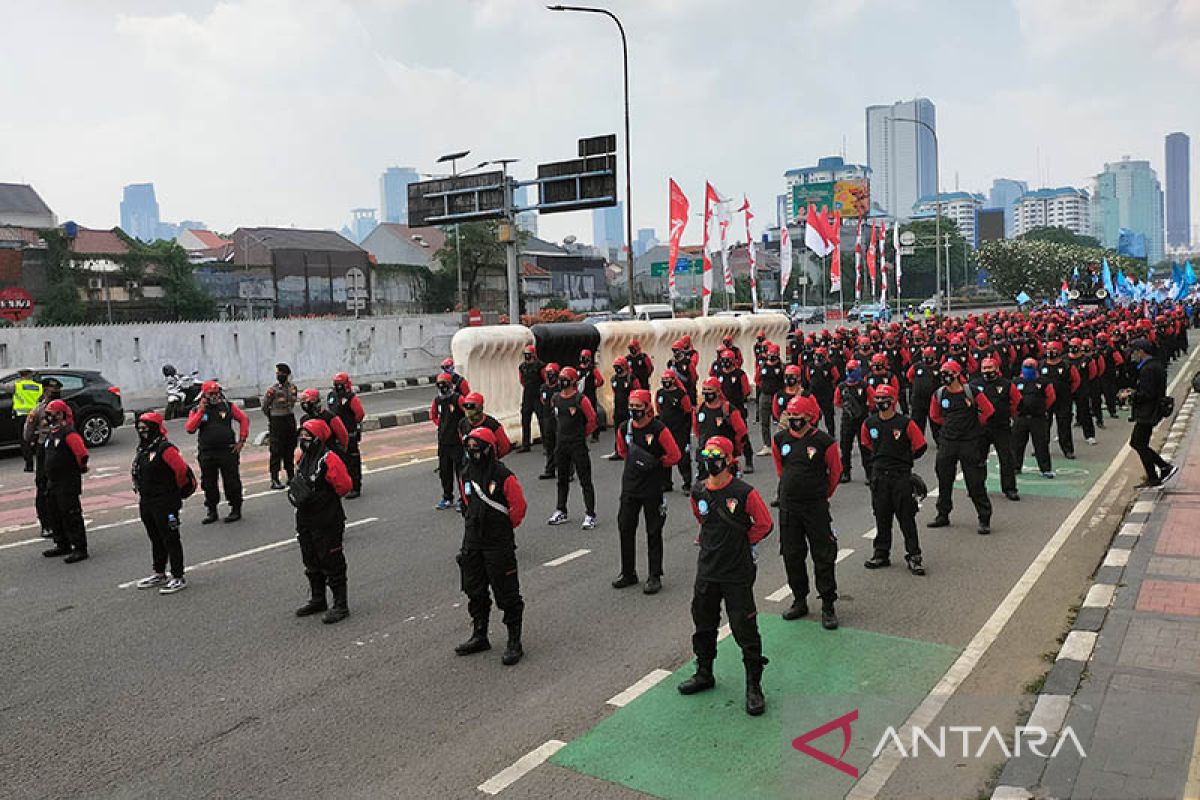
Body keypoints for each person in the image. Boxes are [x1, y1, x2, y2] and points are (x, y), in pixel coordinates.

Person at [678, 436, 774, 717]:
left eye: (716, 455)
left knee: (744, 629)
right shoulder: (698, 492)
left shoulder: (744, 493)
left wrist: (743, 542)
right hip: (708, 570)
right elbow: (702, 519)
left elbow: (764, 524)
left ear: (729, 461)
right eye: (706, 453)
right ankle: (704, 672)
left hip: (737, 572)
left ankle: (754, 686)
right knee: (703, 623)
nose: (710, 459)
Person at [454, 427, 528, 665]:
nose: (472, 451)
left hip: (498, 543)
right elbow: (467, 501)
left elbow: (519, 507)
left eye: (477, 447)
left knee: (506, 593)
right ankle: (480, 634)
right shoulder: (466, 473)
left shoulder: (503, 475)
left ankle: (514, 641)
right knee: (474, 589)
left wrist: (501, 529)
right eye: (469, 446)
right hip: (473, 540)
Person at [771, 394, 842, 628]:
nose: (793, 420)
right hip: (789, 508)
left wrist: (821, 494)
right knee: (792, 555)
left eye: (798, 416)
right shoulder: (780, 439)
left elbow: (835, 473)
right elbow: (781, 469)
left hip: (816, 507)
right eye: (790, 416)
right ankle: (799, 600)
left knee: (823, 555)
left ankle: (828, 604)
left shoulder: (824, 442)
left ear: (810, 417)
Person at [613, 390, 682, 594]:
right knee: (625, 528)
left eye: (638, 407)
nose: (634, 410)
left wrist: (657, 464)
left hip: (652, 488)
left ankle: (654, 575)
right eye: (631, 406)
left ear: (647, 407)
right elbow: (622, 452)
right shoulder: (624, 428)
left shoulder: (658, 429)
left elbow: (674, 455)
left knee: (653, 531)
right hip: (630, 487)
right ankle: (628, 572)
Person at [289, 419, 353, 624]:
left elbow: (344, 486)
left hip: (327, 518)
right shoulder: (302, 458)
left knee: (331, 560)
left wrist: (322, 498)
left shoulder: (329, 458)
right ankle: (318, 598)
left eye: (308, 436)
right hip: (305, 517)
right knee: (310, 558)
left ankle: (340, 604)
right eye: (301, 436)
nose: (303, 440)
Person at [861, 385, 929, 575]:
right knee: (881, 517)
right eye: (878, 399)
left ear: (893, 401)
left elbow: (920, 445)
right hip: (879, 477)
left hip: (901, 477)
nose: (881, 403)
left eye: (884, 399)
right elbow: (866, 443)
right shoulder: (869, 423)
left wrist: (903, 460)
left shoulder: (905, 423)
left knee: (906, 518)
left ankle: (914, 556)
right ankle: (881, 553)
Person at [928, 360, 995, 535]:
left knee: (975, 482)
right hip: (948, 442)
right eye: (942, 373)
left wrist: (974, 425)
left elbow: (988, 410)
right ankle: (943, 514)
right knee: (944, 478)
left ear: (957, 375)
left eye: (948, 373)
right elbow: (935, 416)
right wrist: (950, 426)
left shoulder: (970, 392)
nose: (944, 377)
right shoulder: (939, 394)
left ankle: (984, 517)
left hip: (969, 442)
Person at [131, 412, 194, 595]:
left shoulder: (165, 449)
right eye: (139, 428)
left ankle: (178, 576)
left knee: (170, 538)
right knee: (155, 538)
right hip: (147, 501)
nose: (142, 431)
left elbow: (181, 471)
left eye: (146, 428)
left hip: (165, 502)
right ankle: (159, 572)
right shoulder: (143, 449)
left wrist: (175, 493)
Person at [186, 380, 248, 524]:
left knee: (232, 481)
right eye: (210, 394)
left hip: (227, 451)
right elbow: (190, 428)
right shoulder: (196, 410)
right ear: (204, 394)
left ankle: (235, 509)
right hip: (207, 453)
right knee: (209, 483)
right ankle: (212, 510)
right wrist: (201, 410)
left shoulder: (227, 406)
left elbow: (244, 419)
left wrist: (241, 441)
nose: (214, 396)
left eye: (216, 393)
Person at [1119, 338, 1179, 489]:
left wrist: (1131, 395)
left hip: (1149, 411)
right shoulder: (1153, 365)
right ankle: (1155, 475)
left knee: (1137, 443)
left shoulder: (1149, 369)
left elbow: (1148, 393)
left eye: (1134, 352)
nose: (1133, 355)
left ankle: (1163, 468)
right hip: (1151, 410)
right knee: (1140, 443)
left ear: (1141, 352)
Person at [547, 366, 599, 529]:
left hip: (577, 445)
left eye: (565, 379)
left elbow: (592, 420)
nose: (561, 381)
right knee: (562, 479)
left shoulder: (580, 399)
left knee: (585, 480)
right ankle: (561, 509)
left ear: (573, 381)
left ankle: (590, 514)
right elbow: (557, 418)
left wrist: (581, 435)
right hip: (561, 445)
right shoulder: (555, 398)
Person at [40, 399, 90, 562]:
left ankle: (79, 547)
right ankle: (62, 543)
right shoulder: (51, 433)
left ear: (60, 414)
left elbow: (81, 454)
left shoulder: (69, 433)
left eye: (51, 414)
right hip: (53, 481)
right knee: (54, 512)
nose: (48, 417)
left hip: (67, 481)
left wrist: (80, 467)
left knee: (71, 514)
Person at [975, 357, 1022, 501]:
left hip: (1001, 427)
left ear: (996, 369)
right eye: (985, 368)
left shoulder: (1007, 385)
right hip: (981, 428)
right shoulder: (975, 385)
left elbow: (1016, 402)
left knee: (1006, 458)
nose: (987, 371)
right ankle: (977, 488)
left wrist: (1010, 416)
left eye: (990, 368)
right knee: (978, 459)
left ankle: (1010, 488)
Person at [24, 377, 63, 538]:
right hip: (45, 450)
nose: (56, 395)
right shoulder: (38, 411)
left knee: (61, 487)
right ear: (45, 391)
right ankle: (46, 524)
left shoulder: (64, 408)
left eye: (58, 392)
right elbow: (27, 434)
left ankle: (62, 522)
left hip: (61, 449)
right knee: (44, 487)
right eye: (53, 392)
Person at [693, 377, 748, 484]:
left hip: (723, 456)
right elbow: (697, 430)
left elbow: (741, 432)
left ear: (718, 392)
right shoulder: (699, 409)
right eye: (704, 390)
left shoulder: (728, 410)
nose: (706, 393)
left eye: (710, 390)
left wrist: (735, 449)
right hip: (705, 455)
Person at [1011, 357, 1058, 479]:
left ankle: (1045, 469)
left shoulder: (1043, 382)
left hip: (1038, 418)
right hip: (1020, 418)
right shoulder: (1016, 382)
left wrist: (1041, 409)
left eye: (1031, 367)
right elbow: (1012, 399)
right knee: (1017, 444)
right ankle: (1016, 467)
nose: (1028, 369)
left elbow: (1050, 397)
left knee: (1041, 444)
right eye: (1026, 366)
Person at [715, 348, 755, 472]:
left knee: (742, 436)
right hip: (723, 410)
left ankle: (748, 459)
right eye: (723, 360)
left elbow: (746, 390)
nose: (725, 363)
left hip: (737, 409)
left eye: (728, 360)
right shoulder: (719, 374)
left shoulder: (739, 374)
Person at [327, 372, 366, 498]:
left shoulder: (351, 398)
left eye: (340, 384)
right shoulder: (332, 396)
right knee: (339, 461)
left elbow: (359, 414)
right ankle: (342, 485)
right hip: (336, 433)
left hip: (350, 433)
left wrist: (352, 425)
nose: (338, 387)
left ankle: (355, 486)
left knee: (352, 460)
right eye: (336, 384)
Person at [1040, 341, 1081, 460]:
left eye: (1054, 349)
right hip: (1046, 401)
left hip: (1063, 400)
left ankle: (1067, 449)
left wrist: (1068, 392)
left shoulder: (1067, 365)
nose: (1051, 351)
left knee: (1064, 425)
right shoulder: (1041, 365)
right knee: (1044, 426)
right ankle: (1042, 448)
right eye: (1049, 349)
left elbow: (1076, 381)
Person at [655, 369, 693, 492]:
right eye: (664, 380)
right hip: (665, 430)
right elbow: (659, 409)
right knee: (665, 455)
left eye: (668, 380)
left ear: (673, 380)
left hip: (680, 430)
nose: (666, 382)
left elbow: (688, 412)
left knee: (682, 457)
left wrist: (687, 430)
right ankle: (666, 483)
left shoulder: (681, 394)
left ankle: (687, 483)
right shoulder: (660, 393)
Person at [431, 372, 465, 510]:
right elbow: (433, 415)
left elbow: (467, 413)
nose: (442, 388)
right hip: (443, 442)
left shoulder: (458, 399)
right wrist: (441, 424)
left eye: (444, 384)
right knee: (445, 472)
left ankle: (463, 498)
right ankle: (447, 497)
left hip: (457, 442)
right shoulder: (437, 401)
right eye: (439, 385)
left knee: (461, 472)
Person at [834, 360, 872, 483]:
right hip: (847, 419)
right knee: (845, 447)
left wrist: (864, 409)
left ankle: (869, 473)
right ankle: (845, 472)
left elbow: (873, 399)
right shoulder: (842, 387)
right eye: (849, 370)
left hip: (862, 419)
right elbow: (837, 402)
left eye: (852, 370)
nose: (850, 373)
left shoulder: (864, 385)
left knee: (865, 447)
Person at [263, 362, 299, 489]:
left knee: (290, 449)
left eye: (282, 374)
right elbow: (265, 406)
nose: (280, 376)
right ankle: (274, 479)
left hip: (289, 419)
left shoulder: (293, 388)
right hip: (277, 420)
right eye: (278, 374)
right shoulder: (272, 390)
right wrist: (272, 417)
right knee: (276, 450)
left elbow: (292, 403)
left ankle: (291, 476)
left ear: (287, 375)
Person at [604, 356, 641, 461]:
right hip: (618, 409)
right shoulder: (614, 379)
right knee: (618, 430)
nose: (617, 369)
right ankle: (619, 451)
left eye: (619, 366)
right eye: (615, 367)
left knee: (631, 430)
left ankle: (633, 451)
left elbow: (637, 391)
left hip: (629, 408)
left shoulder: (631, 378)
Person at [457, 392, 512, 458]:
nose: (469, 411)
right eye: (466, 406)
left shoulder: (493, 425)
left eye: (472, 407)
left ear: (481, 408)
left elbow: (505, 446)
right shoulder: (462, 424)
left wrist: (493, 458)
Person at [299, 388, 349, 454]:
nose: (305, 404)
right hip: (312, 454)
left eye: (308, 401)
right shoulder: (304, 419)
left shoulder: (330, 417)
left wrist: (340, 451)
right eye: (303, 402)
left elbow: (343, 436)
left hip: (330, 452)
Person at [755, 343, 785, 455]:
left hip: (778, 396)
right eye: (770, 354)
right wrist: (763, 388)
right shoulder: (762, 366)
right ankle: (767, 445)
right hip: (765, 395)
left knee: (781, 421)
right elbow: (757, 379)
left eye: (774, 354)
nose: (771, 356)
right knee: (764, 422)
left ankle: (781, 444)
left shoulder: (781, 367)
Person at [11, 369, 42, 472]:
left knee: (25, 440)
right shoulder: (38, 387)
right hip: (36, 414)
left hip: (22, 415)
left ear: (21, 376)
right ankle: (40, 462)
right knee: (38, 439)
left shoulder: (17, 386)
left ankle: (29, 465)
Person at [906, 347, 941, 439]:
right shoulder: (917, 366)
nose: (927, 358)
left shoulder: (939, 367)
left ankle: (939, 442)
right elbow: (909, 376)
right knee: (917, 422)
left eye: (929, 356)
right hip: (918, 400)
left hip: (933, 400)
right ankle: (918, 442)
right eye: (925, 356)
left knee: (935, 423)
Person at [518, 345, 544, 453]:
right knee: (525, 420)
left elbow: (545, 379)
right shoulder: (522, 367)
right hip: (527, 395)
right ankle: (526, 444)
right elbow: (522, 381)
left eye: (529, 354)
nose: (527, 357)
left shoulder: (540, 366)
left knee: (542, 420)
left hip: (538, 395)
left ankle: (547, 444)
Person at [537, 363, 561, 480]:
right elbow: (543, 400)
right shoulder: (543, 388)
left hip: (558, 418)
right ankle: (550, 469)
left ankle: (566, 470)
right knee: (549, 444)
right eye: (547, 374)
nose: (548, 376)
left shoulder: (561, 387)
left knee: (561, 444)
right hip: (547, 418)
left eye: (550, 374)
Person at [579, 349, 605, 442]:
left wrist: (593, 386)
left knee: (592, 414)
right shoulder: (579, 369)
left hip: (589, 394)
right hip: (582, 394)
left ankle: (595, 434)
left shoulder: (592, 369)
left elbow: (600, 380)